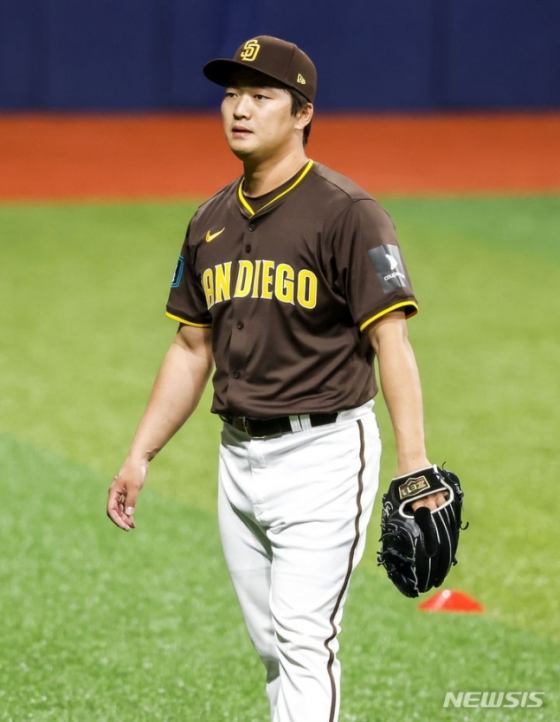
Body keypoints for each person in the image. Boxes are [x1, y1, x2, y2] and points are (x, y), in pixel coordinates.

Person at [107, 35, 446, 722]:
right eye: (232, 94)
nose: (239, 108)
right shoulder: (209, 220)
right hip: (237, 459)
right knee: (273, 648)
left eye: (261, 96)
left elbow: (392, 340)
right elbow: (191, 348)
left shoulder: (349, 213)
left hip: (325, 457)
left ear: (302, 114)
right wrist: (140, 454)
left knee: (303, 641)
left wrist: (413, 464)